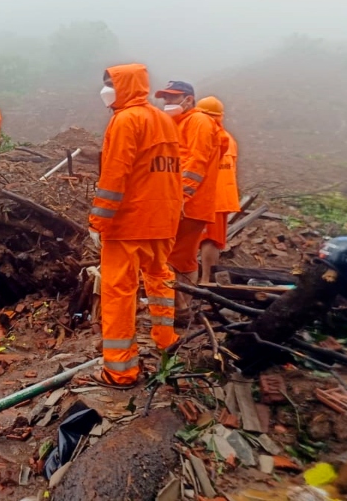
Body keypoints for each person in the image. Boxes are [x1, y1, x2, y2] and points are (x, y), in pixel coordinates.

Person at [89, 64, 183, 388]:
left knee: (119, 292)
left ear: (125, 86)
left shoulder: (126, 120)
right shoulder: (163, 120)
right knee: (160, 280)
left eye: (109, 83)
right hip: (163, 219)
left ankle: (120, 371)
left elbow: (114, 177)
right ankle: (166, 341)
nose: (105, 90)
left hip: (128, 223)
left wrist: (98, 220)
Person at [154, 80, 223, 326]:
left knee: (169, 258)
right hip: (185, 203)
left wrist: (182, 195)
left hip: (187, 204)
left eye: (173, 98)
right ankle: (183, 308)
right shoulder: (180, 123)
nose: (167, 103)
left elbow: (196, 161)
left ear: (189, 99)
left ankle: (178, 311)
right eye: (165, 98)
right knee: (182, 259)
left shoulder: (199, 122)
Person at [196, 96, 240, 284]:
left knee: (207, 240)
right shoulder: (229, 138)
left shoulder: (206, 134)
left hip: (208, 196)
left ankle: (205, 281)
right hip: (223, 197)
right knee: (211, 239)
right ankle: (206, 279)